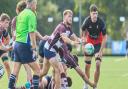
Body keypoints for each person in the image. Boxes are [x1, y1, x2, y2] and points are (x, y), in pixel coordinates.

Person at [40, 9, 95, 89]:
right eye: (69, 16)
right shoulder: (61, 27)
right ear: (64, 17)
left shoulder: (68, 29)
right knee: (58, 70)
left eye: (71, 17)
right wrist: (73, 43)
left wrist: (81, 41)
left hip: (51, 49)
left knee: (44, 72)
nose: (71, 18)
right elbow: (65, 39)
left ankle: (33, 81)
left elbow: (75, 37)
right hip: (50, 49)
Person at [8, 0, 40, 89]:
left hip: (17, 45)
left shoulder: (20, 14)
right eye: (35, 4)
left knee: (14, 71)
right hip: (24, 45)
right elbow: (31, 32)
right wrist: (34, 48)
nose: (36, 7)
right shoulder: (31, 14)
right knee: (37, 70)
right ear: (31, 3)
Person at [81, 4, 107, 89]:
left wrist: (100, 51)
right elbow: (83, 31)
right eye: (93, 13)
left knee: (98, 64)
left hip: (98, 44)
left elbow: (105, 37)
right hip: (89, 44)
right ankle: (86, 83)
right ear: (90, 14)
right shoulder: (86, 21)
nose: (95, 15)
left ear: (97, 13)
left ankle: (95, 85)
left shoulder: (101, 22)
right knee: (87, 65)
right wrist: (83, 44)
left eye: (96, 13)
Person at [0, 13, 12, 79]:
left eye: (8, 23)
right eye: (6, 23)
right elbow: (1, 46)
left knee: (7, 64)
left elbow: (8, 38)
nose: (7, 25)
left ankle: (11, 85)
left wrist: (6, 45)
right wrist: (7, 48)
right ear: (1, 21)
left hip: (2, 48)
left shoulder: (4, 30)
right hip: (1, 47)